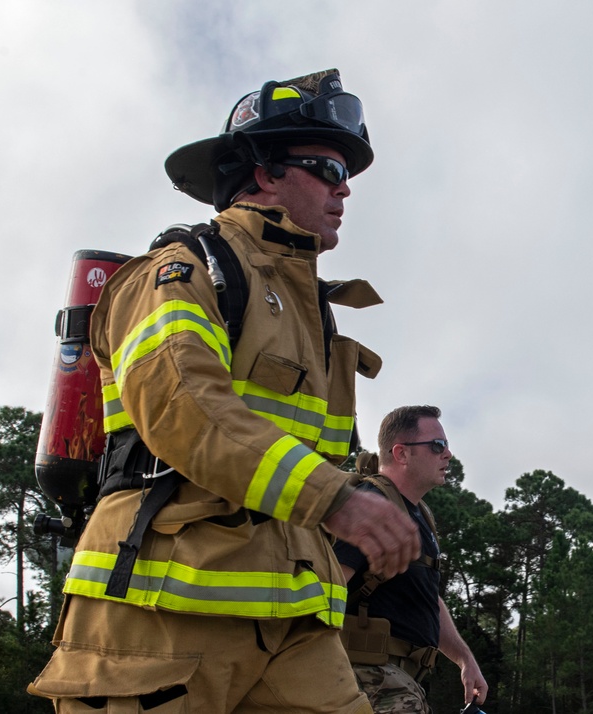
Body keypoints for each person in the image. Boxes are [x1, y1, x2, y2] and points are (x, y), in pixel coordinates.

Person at [29, 69, 421, 713]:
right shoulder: (181, 271)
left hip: (292, 620)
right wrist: (336, 499)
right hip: (158, 623)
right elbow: (186, 408)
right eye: (326, 166)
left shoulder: (312, 313)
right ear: (265, 173)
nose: (345, 188)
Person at [335, 405, 489, 713]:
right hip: (370, 680)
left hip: (400, 682)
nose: (448, 455)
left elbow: (428, 599)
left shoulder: (419, 516)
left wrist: (464, 659)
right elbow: (328, 584)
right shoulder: (371, 505)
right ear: (402, 453)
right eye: (437, 446)